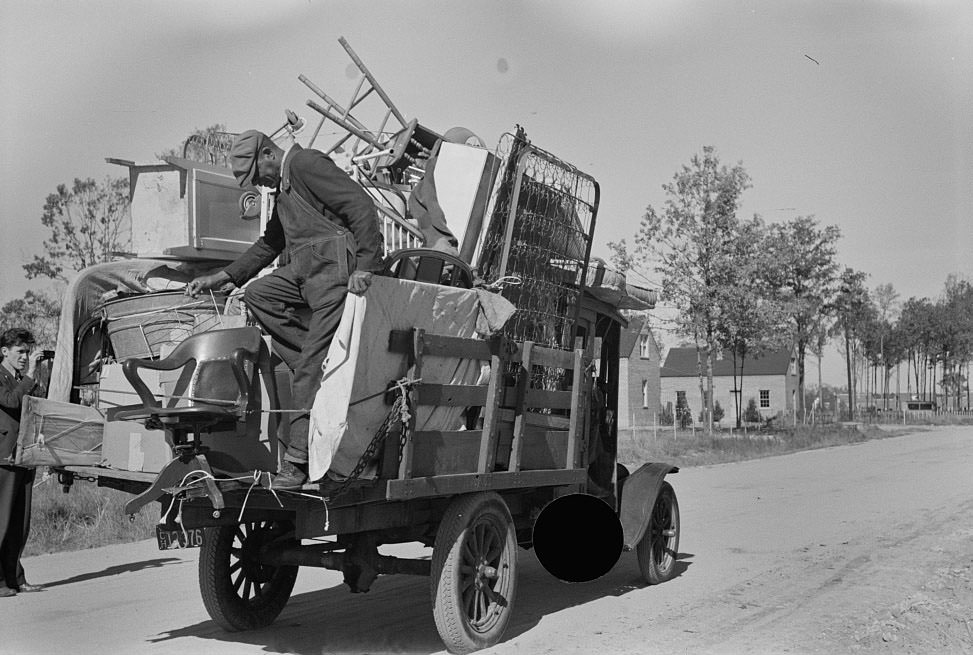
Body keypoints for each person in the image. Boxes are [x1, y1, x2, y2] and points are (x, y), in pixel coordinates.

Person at [187, 130, 384, 488]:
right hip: (306, 274)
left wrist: (367, 264)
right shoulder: (285, 188)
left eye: (257, 176)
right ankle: (322, 362)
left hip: (334, 276)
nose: (260, 184)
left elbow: (361, 206)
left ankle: (297, 461)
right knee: (259, 294)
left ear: (267, 155)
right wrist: (225, 276)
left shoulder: (306, 164)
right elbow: (271, 243)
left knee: (307, 370)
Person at [0, 328, 46, 597]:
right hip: (4, 457)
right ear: (4, 351)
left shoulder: (22, 378)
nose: (25, 357)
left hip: (24, 455)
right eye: (20, 352)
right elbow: (10, 400)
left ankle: (16, 578)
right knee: (2, 522)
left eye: (27, 352)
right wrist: (29, 376)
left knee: (20, 523)